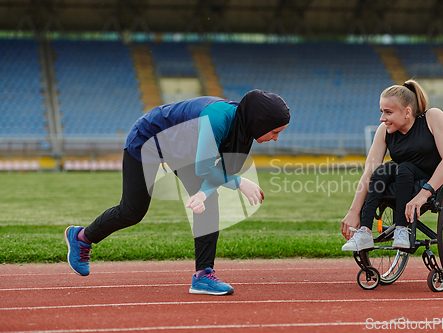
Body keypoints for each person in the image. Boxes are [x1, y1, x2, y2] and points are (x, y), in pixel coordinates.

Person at [64, 89, 290, 295]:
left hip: (183, 151)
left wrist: (202, 194)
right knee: (132, 211)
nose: (276, 138)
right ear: (259, 122)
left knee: (209, 202)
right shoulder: (219, 118)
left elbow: (217, 172)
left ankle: (203, 276)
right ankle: (82, 238)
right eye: (274, 131)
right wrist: (240, 182)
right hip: (149, 139)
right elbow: (206, 168)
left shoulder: (244, 130)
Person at [341, 79, 443, 251]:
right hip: (404, 179)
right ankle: (365, 231)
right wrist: (353, 211)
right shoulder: (384, 130)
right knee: (383, 170)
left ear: (407, 112)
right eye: (381, 111)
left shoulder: (433, 117)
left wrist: (423, 194)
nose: (382, 118)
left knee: (403, 167)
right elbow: (368, 174)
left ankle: (401, 229)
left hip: (432, 181)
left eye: (388, 112)